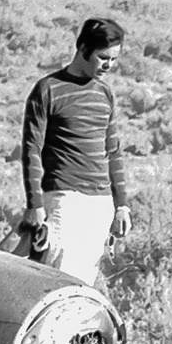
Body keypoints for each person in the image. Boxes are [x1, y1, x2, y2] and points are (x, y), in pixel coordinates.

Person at [20, 18, 132, 285]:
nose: (108, 65)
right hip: (64, 198)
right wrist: (35, 204)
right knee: (56, 281)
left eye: (113, 59)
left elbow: (113, 152)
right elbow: (31, 150)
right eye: (103, 57)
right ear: (82, 49)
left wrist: (122, 205)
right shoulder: (47, 89)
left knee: (83, 284)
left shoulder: (105, 93)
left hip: (100, 203)